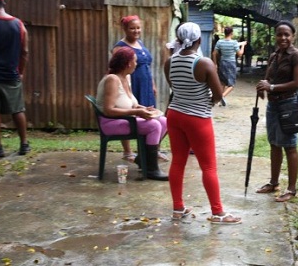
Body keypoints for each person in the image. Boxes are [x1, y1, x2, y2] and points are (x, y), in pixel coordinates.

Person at [164, 22, 241, 224]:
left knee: (178, 162)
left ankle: (178, 208)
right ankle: (218, 213)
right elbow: (217, 95)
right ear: (199, 40)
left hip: (175, 115)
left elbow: (175, 88)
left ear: (179, 40)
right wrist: (206, 101)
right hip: (197, 118)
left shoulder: (169, 62)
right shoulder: (204, 63)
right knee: (208, 167)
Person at [96, 46, 168, 181]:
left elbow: (131, 102)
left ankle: (143, 160)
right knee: (154, 125)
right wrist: (137, 112)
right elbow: (108, 110)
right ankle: (152, 169)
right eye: (135, 61)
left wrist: (143, 108)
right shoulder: (112, 79)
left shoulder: (126, 77)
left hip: (125, 119)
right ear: (128, 63)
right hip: (111, 123)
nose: (136, 64)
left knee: (164, 121)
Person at [255, 20, 298, 202]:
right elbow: (268, 76)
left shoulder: (296, 56)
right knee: (274, 144)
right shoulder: (275, 55)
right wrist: (263, 86)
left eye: (287, 34)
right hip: (273, 105)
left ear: (293, 36)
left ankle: (291, 189)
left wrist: (272, 87)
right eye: (279, 34)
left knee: (290, 146)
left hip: (289, 104)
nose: (283, 37)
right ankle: (274, 182)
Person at [112, 15, 168, 163]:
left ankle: (151, 150)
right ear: (124, 29)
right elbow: (116, 69)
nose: (136, 31)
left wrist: (153, 84)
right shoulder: (120, 47)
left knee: (151, 117)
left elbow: (147, 66)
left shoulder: (140, 44)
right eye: (132, 28)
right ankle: (128, 151)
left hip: (146, 85)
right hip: (131, 84)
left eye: (138, 27)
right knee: (130, 116)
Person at [0, 0, 31, 157]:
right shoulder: (19, 25)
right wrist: (20, 72)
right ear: (3, 2)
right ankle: (24, 144)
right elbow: (25, 52)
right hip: (12, 75)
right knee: (18, 109)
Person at [212, 27, 246, 106]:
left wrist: (215, 64)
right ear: (231, 33)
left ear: (224, 33)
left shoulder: (220, 42)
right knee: (232, 84)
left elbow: (214, 53)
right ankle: (222, 96)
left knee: (222, 82)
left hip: (222, 63)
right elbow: (240, 54)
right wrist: (243, 45)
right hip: (231, 63)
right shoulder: (234, 42)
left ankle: (218, 101)